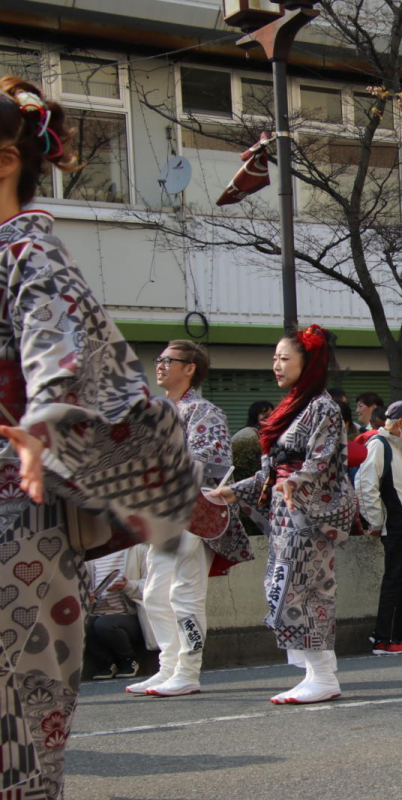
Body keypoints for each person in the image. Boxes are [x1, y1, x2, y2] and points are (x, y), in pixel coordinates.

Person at [0, 75, 200, 799]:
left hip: (17, 505)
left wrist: (42, 417)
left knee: (17, 722)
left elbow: (54, 349)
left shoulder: (27, 249)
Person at [210, 325, 356, 704]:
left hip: (307, 512)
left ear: (307, 363)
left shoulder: (322, 407)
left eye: (284, 358)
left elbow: (321, 460)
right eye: (274, 358)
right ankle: (315, 672)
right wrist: (234, 490)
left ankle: (323, 675)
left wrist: (296, 480)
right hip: (286, 512)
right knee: (287, 590)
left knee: (303, 591)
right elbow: (271, 471)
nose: (275, 365)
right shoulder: (293, 406)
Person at [126, 340, 253, 697]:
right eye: (159, 360)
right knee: (153, 593)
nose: (161, 366)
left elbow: (211, 461)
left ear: (190, 368)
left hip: (192, 511)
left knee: (185, 591)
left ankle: (188, 670)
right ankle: (169, 666)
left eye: (169, 360)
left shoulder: (203, 411)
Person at [357, 400, 402, 655]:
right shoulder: (379, 445)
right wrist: (375, 522)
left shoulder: (392, 447)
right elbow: (365, 485)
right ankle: (385, 638)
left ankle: (389, 636)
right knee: (399, 582)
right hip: (397, 527)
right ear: (400, 423)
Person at [84, 544, 151, 680]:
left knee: (103, 624)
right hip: (97, 612)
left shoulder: (139, 550)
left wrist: (128, 586)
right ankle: (105, 662)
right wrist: (87, 596)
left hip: (130, 615)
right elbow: (79, 587)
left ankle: (128, 659)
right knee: (86, 623)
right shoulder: (91, 554)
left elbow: (153, 585)